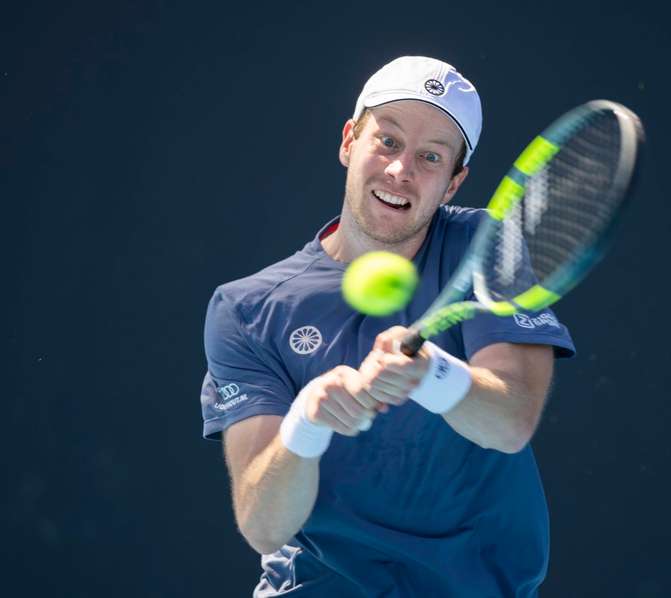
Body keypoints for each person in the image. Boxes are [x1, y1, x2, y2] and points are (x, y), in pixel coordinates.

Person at [200, 56, 575, 597]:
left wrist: (431, 375)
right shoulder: (247, 308)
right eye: (388, 142)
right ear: (350, 140)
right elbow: (264, 527)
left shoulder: (485, 247)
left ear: (453, 182)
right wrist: (306, 422)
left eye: (430, 157)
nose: (401, 171)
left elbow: (511, 421)